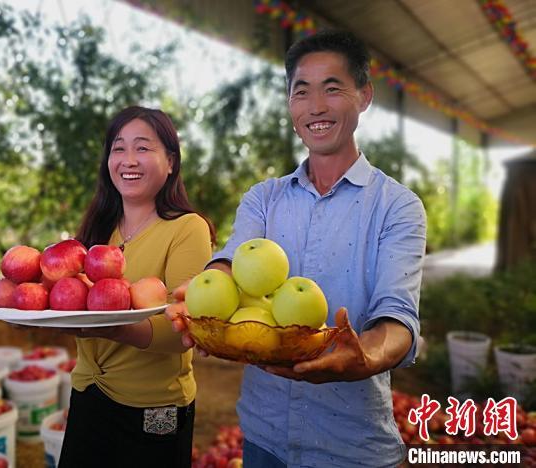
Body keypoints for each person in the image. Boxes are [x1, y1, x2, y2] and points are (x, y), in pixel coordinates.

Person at [167, 30, 427, 467]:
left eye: (333, 88)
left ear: (364, 96)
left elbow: (397, 316)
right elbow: (232, 263)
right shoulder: (264, 199)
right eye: (301, 92)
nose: (316, 107)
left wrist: (366, 356)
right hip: (263, 436)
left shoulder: (397, 206)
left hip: (352, 445)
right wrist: (205, 298)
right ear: (290, 106)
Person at [58, 106, 214, 468]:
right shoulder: (98, 234)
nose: (129, 159)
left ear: (171, 161)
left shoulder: (188, 229)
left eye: (143, 148)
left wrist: (108, 326)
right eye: (118, 148)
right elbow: (72, 302)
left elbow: (181, 331)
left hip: (153, 408)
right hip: (87, 393)